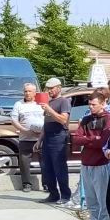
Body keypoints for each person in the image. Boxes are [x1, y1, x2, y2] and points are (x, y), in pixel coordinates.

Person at [71, 89, 110, 220]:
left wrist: (88, 139)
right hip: (86, 163)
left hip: (101, 163)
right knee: (91, 199)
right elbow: (76, 139)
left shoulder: (109, 119)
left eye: (94, 104)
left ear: (103, 104)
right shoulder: (86, 119)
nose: (91, 107)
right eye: (89, 104)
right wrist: (92, 139)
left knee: (102, 198)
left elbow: (103, 141)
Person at [39, 77, 73, 205]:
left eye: (51, 88)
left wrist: (49, 110)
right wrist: (40, 139)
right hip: (48, 136)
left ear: (59, 88)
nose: (49, 91)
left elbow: (63, 120)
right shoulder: (50, 102)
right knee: (47, 168)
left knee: (59, 167)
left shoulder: (63, 101)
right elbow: (46, 122)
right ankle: (53, 194)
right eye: (48, 88)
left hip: (58, 136)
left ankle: (65, 195)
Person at [9, 82, 43, 192]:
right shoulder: (18, 104)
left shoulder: (41, 102)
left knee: (45, 163)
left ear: (34, 92)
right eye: (25, 91)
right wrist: (25, 131)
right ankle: (26, 184)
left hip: (41, 138)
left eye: (29, 91)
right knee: (24, 163)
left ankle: (47, 184)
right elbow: (14, 120)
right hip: (25, 138)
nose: (27, 93)